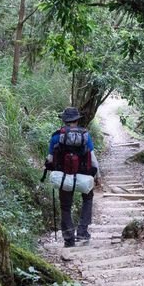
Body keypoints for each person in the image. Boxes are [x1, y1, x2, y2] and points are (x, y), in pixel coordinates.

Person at [45, 106, 99, 247]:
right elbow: (92, 159)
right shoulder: (85, 135)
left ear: (64, 120)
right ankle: (82, 232)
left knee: (65, 206)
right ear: (76, 120)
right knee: (88, 198)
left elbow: (50, 159)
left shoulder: (57, 136)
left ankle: (69, 238)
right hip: (84, 176)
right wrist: (97, 175)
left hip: (65, 177)